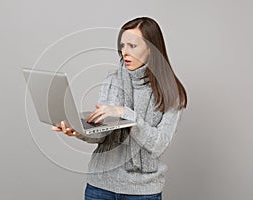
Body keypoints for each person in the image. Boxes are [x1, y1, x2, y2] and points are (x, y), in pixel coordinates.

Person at [52, 17, 187, 200]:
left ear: (152, 49)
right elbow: (103, 133)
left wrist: (125, 114)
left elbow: (159, 145)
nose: (125, 52)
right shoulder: (112, 79)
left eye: (132, 46)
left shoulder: (171, 91)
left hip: (142, 193)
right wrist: (78, 131)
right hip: (99, 187)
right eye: (122, 45)